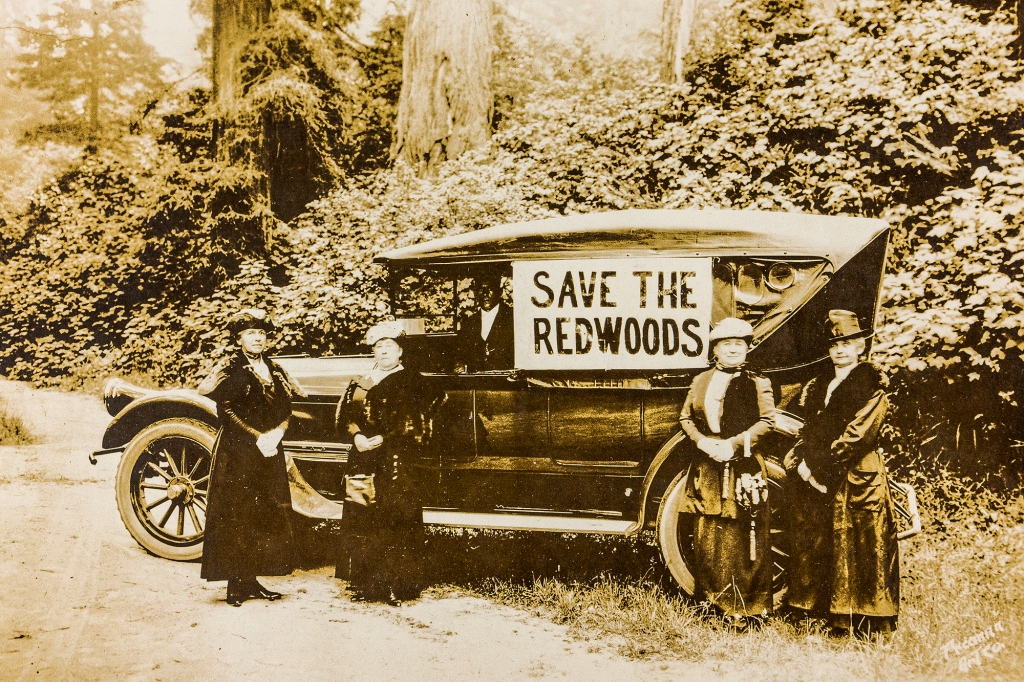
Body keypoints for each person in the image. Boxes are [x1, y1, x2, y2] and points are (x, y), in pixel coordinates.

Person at [783, 310, 900, 639]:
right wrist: (803, 461)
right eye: (835, 343)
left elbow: (857, 436)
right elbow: (809, 430)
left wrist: (814, 466)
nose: (841, 349)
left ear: (860, 346)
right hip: (824, 474)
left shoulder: (871, 385)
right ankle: (837, 619)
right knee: (832, 545)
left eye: (848, 342)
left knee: (864, 544)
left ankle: (871, 622)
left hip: (858, 473)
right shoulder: (819, 386)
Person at [198, 309, 304, 606]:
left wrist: (278, 434)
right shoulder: (231, 368)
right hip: (238, 451)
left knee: (263, 512)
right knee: (236, 512)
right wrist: (258, 436)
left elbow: (286, 409)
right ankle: (235, 583)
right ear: (239, 338)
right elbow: (226, 411)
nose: (258, 338)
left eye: (262, 333)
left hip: (270, 449)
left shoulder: (275, 369)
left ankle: (253, 580)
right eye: (251, 333)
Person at [338, 321, 446, 604]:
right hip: (363, 457)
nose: (383, 352)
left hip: (396, 460)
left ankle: (396, 585)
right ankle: (366, 584)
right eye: (378, 346)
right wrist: (357, 435)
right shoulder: (360, 380)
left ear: (400, 352)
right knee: (363, 517)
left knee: (395, 519)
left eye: (389, 346)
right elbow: (345, 416)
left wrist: (385, 438)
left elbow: (421, 423)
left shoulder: (415, 381)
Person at [677, 317, 776, 620]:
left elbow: (768, 421)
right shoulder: (701, 381)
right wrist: (703, 443)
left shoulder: (758, 382)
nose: (733, 349)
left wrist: (732, 445)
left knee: (745, 537)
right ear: (715, 349)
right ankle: (711, 603)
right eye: (726, 344)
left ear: (747, 349)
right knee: (709, 537)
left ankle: (747, 609)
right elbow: (685, 418)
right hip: (708, 465)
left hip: (743, 466)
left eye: (739, 344)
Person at [454, 273, 514, 372]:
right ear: (476, 294)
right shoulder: (469, 323)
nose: (485, 294)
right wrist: (459, 364)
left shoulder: (513, 318)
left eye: (490, 289)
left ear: (499, 292)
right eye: (481, 290)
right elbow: (461, 354)